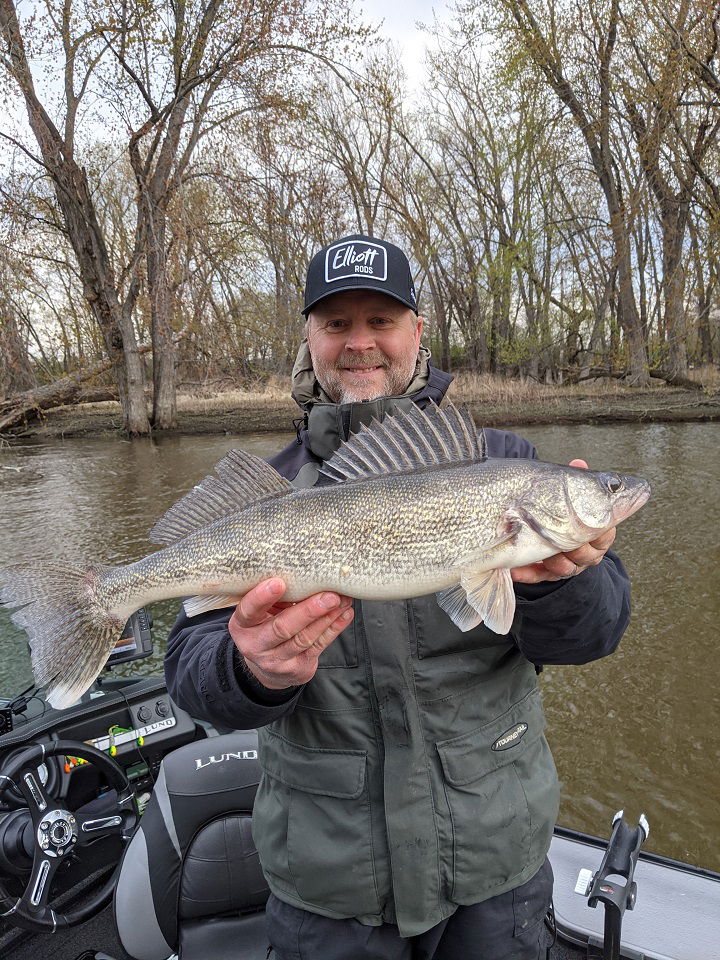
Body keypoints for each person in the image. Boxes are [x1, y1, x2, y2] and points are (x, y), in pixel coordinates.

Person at [164, 234, 630, 960]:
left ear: (417, 331)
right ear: (310, 338)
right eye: (336, 324)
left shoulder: (504, 464)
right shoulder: (269, 492)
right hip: (328, 889)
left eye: (380, 321)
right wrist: (250, 672)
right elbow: (191, 670)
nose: (360, 344)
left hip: (492, 870)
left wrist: (564, 584)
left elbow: (596, 636)